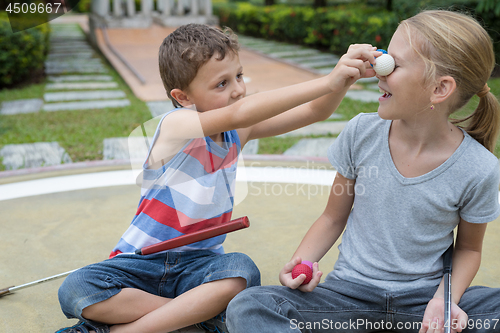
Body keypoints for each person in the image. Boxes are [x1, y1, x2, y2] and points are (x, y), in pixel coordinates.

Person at [55, 24, 380, 333]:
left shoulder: (238, 132)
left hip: (200, 265)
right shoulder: (175, 125)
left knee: (242, 273)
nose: (238, 89)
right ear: (183, 97)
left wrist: (345, 79)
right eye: (221, 84)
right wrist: (328, 80)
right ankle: (196, 314)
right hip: (141, 263)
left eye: (238, 75)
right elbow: (240, 112)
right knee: (76, 288)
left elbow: (314, 113)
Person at [226, 10, 500, 333]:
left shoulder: (479, 168)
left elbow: (468, 248)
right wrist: (302, 262)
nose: (377, 72)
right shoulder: (361, 133)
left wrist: (445, 299)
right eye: (383, 57)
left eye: (392, 64)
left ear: (440, 89)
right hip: (347, 301)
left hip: (423, 306)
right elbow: (332, 217)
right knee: (249, 306)